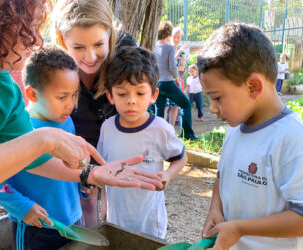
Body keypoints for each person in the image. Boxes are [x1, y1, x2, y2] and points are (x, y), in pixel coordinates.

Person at [0, 1, 163, 248]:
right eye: (30, 27)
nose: (38, 40)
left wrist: (89, 174)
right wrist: (43, 140)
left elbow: (31, 159)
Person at [198, 23, 303, 250]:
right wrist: (215, 208)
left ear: (253, 86)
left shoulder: (292, 138)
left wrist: (241, 228)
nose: (213, 109)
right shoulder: (235, 127)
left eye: (217, 98)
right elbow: (222, 175)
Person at [0, 46, 85, 250]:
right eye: (62, 97)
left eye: (74, 95)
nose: (71, 105)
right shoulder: (14, 130)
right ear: (32, 93)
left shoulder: (66, 121)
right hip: (36, 227)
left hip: (74, 219)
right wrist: (22, 207)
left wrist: (83, 188)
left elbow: (70, 167)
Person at [98, 46, 187, 239]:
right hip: (116, 221)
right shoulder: (107, 128)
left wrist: (168, 175)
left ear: (154, 95)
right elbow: (104, 170)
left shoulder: (161, 129)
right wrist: (104, 203)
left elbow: (181, 157)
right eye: (122, 94)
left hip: (150, 223)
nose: (131, 101)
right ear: (110, 96)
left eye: (140, 93)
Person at [51, 0, 117, 228]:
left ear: (110, 34)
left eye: (99, 44)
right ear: (61, 40)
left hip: (114, 156)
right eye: (78, 47)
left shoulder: (122, 63)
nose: (90, 57)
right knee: (83, 217)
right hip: (73, 161)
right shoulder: (52, 72)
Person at [153, 21, 197, 140]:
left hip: (157, 84)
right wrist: (177, 80)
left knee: (160, 112)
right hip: (168, 83)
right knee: (186, 104)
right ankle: (187, 134)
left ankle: (159, 137)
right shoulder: (169, 48)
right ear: (168, 34)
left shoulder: (154, 47)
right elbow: (173, 68)